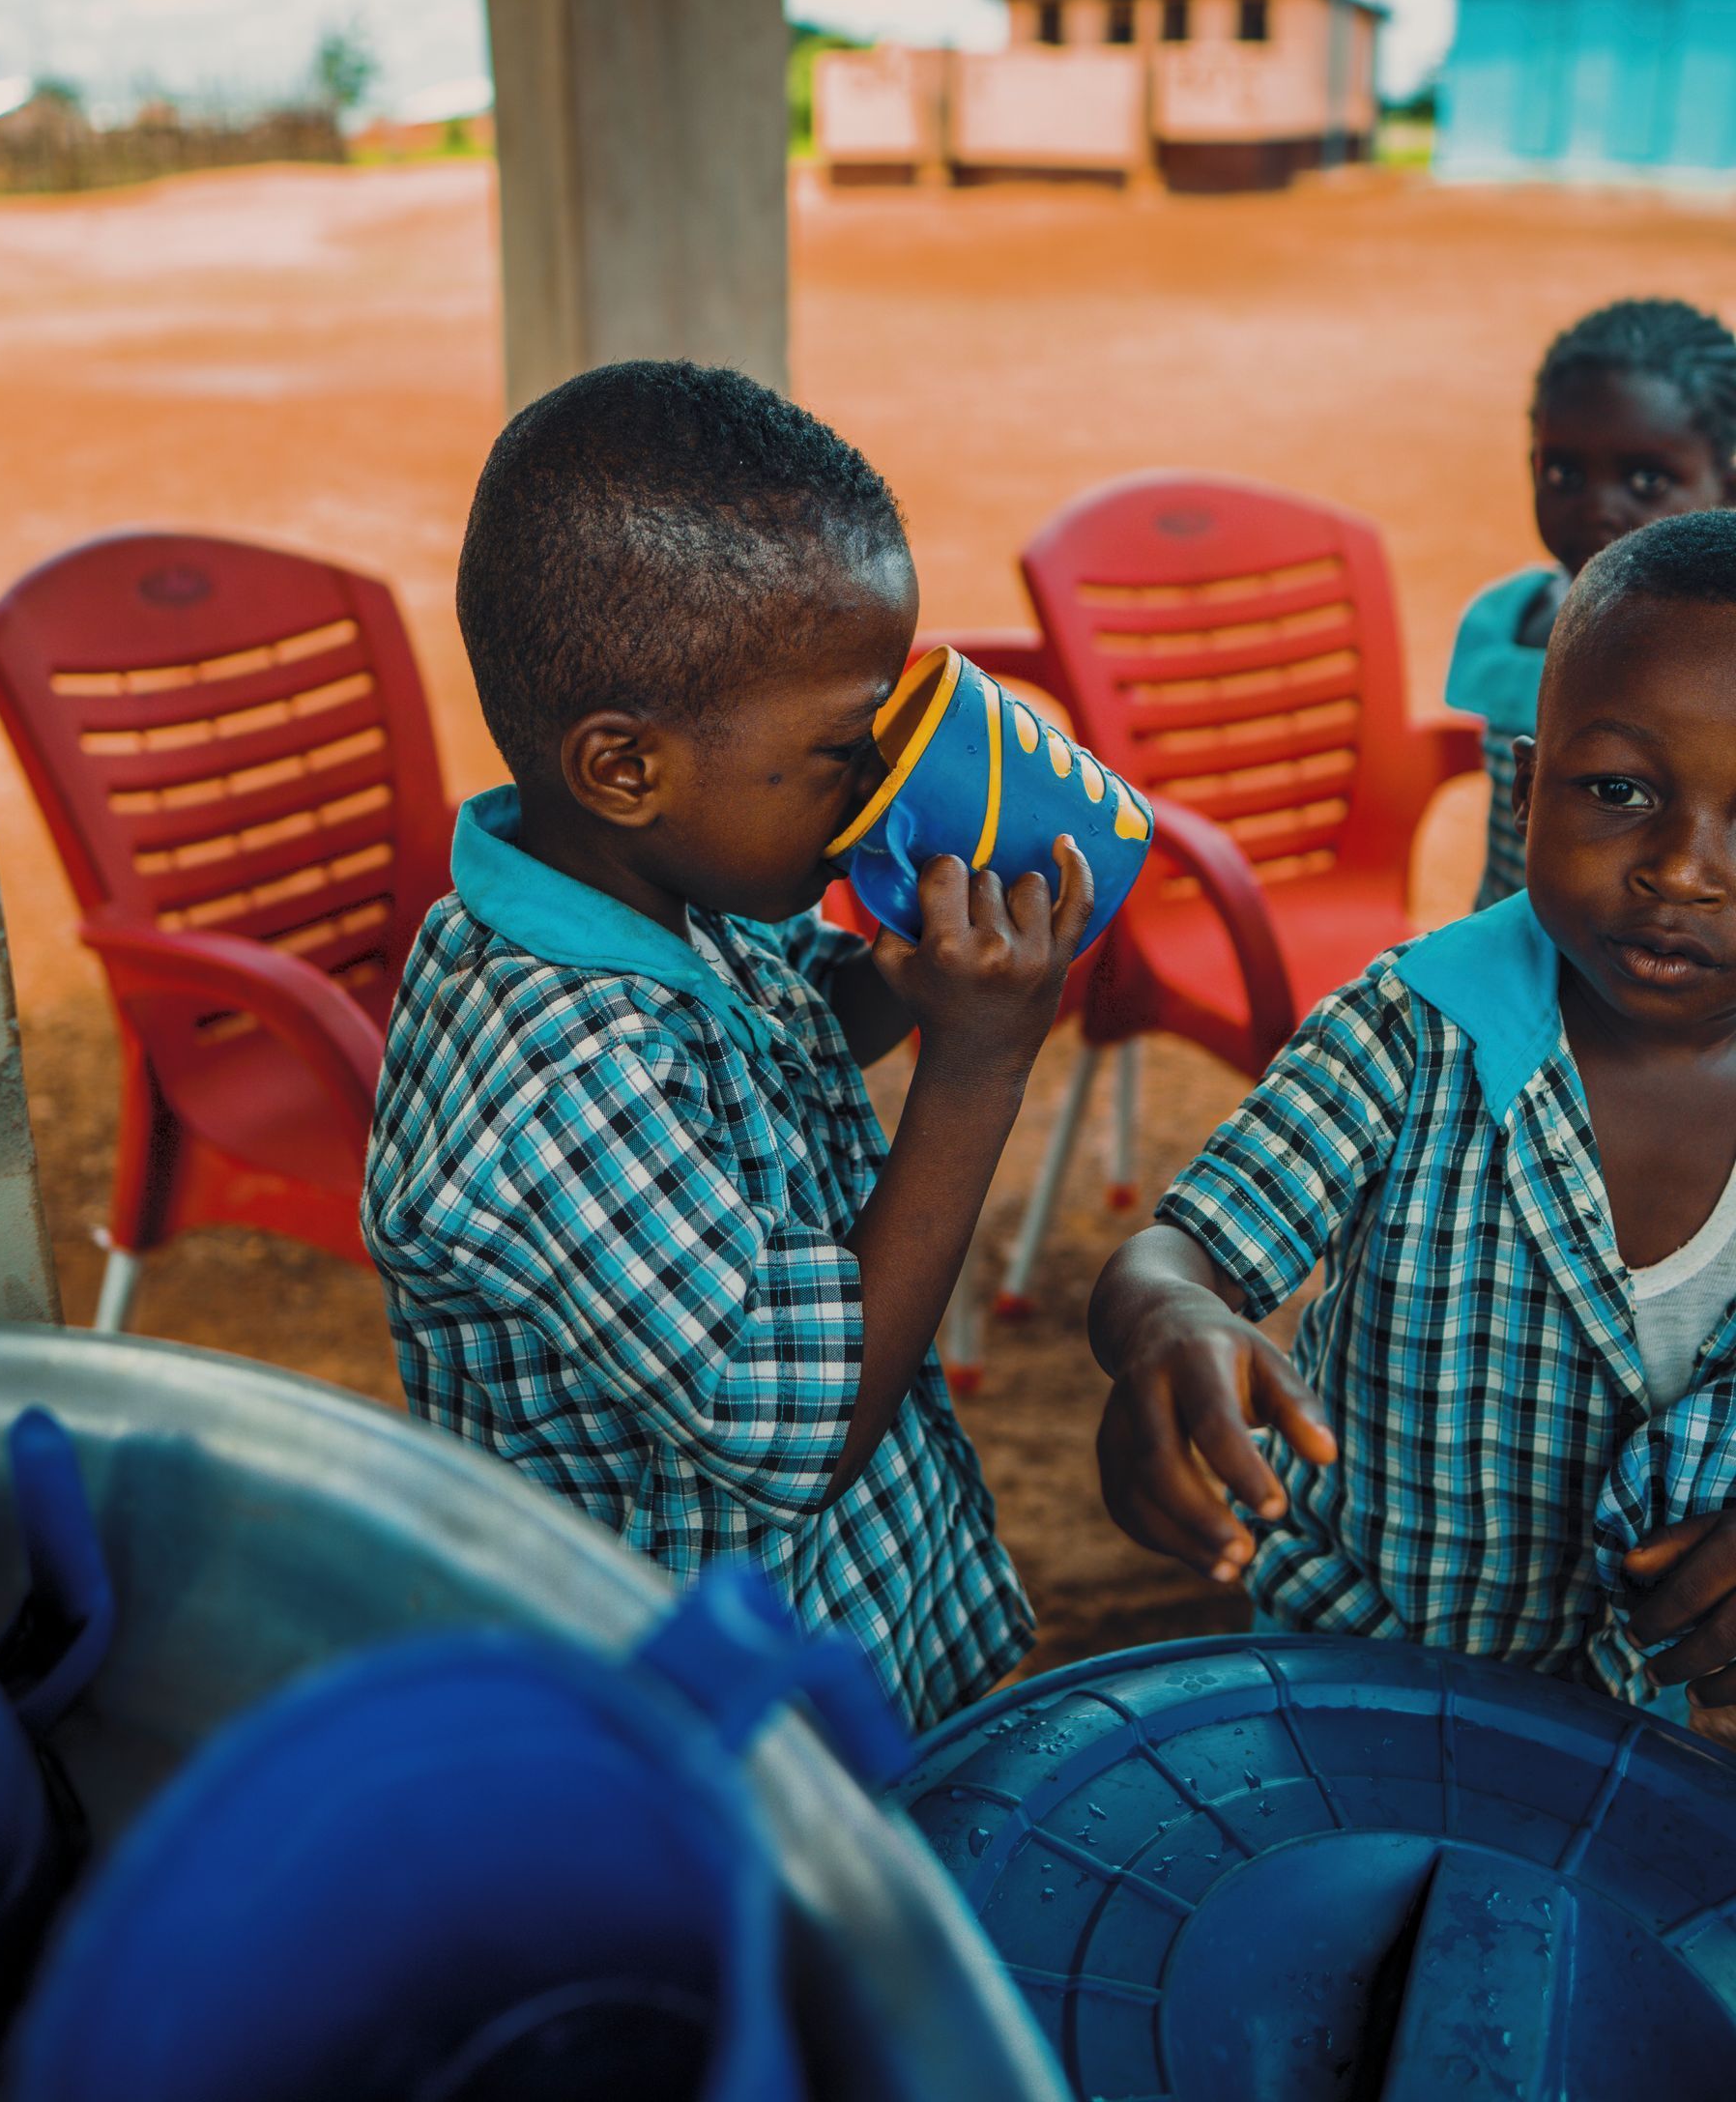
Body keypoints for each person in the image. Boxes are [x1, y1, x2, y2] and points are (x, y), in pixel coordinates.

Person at [363, 360, 1091, 1728]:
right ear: (626, 767)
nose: (878, 780)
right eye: (843, 751)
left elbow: (805, 1005)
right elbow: (802, 1423)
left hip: (838, 1626)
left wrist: (924, 971)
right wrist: (980, 1064)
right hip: (698, 1738)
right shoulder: (557, 1083)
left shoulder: (661, 887)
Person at [1091, 508, 1736, 1733]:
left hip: (1674, 1737)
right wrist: (1168, 1320)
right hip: (1368, 1688)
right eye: (1617, 790)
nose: (1683, 868)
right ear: (1528, 773)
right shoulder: (1410, 1030)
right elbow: (1181, 1253)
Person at [1448, 297, 1736, 908]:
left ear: (1729, 490)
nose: (1598, 507)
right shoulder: (1514, 618)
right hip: (1513, 947)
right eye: (1564, 474)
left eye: (1647, 480)